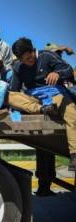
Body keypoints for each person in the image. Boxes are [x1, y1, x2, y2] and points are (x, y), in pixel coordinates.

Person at [9, 37, 76, 170]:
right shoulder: (18, 67)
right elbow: (15, 91)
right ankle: (43, 109)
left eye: (30, 57)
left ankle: (74, 154)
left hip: (54, 93)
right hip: (34, 98)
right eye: (24, 60)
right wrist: (13, 110)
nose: (28, 62)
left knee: (71, 111)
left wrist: (57, 73)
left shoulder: (47, 55)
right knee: (9, 96)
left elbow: (68, 69)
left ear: (34, 50)